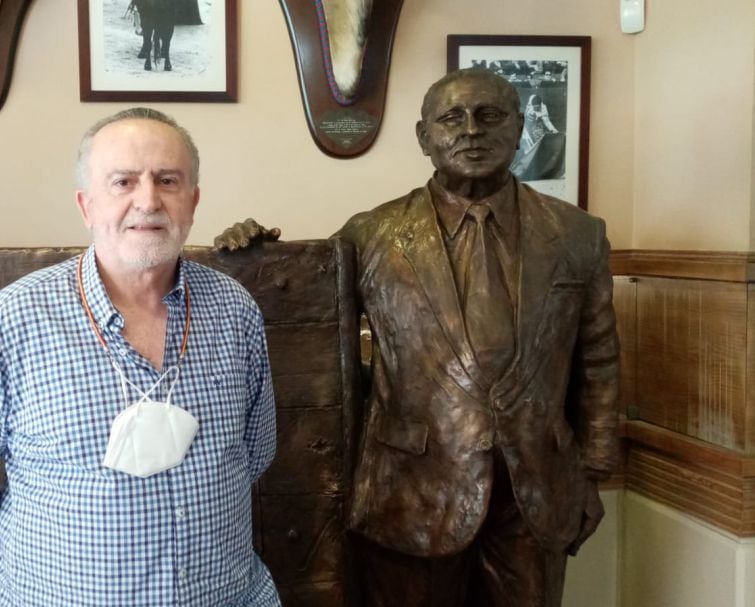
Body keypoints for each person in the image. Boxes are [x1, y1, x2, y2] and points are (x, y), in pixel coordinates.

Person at [215, 68, 619, 607]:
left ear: (520, 127)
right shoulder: (371, 234)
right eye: (453, 118)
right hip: (411, 490)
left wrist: (593, 472)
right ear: (424, 137)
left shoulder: (577, 235)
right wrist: (254, 259)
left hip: (535, 491)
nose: (471, 130)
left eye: (490, 115)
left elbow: (599, 361)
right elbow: (303, 317)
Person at [0, 107, 281, 606]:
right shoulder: (10, 322)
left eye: (167, 180)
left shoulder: (233, 311)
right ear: (86, 205)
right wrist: (27, 569)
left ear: (192, 202)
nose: (148, 200)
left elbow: (253, 452)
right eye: (123, 182)